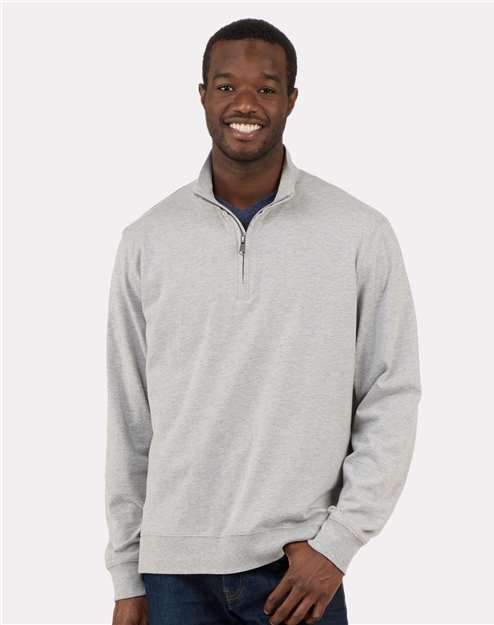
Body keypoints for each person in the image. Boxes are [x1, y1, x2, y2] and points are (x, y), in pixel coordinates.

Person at [104, 17, 422, 625]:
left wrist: (338, 544)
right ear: (203, 95)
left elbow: (391, 393)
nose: (245, 104)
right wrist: (127, 573)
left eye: (266, 88)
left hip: (298, 567)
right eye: (227, 86)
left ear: (291, 99)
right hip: (172, 571)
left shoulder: (358, 232)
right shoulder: (147, 240)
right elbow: (129, 415)